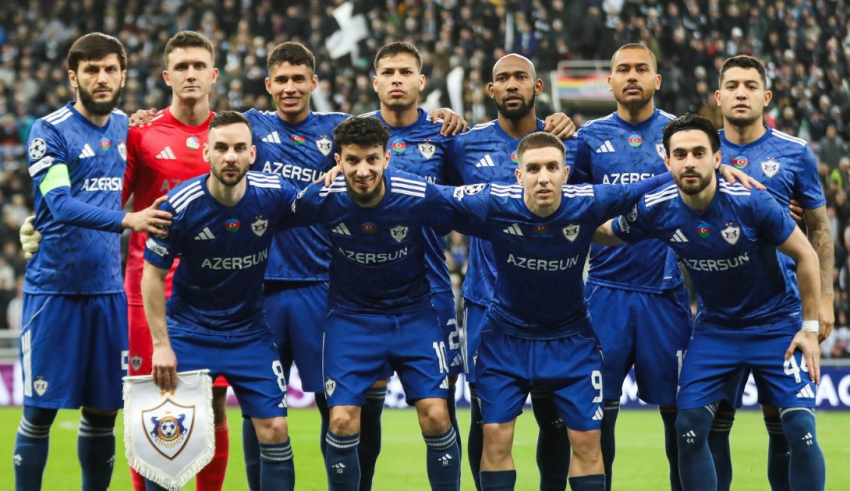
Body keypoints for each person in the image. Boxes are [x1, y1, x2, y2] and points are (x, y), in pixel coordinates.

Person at [239, 41, 466, 491]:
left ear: (421, 81)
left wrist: (448, 117)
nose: (397, 80)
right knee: (305, 409)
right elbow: (207, 125)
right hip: (336, 297)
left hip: (427, 295)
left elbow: (466, 201)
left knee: (439, 409)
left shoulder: (442, 136)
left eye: (406, 72)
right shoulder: (340, 131)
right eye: (389, 72)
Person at [595, 113, 826, 491]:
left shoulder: (752, 200)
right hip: (717, 329)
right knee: (688, 428)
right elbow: (608, 233)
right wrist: (562, 217)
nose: (689, 162)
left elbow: (806, 255)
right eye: (680, 154)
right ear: (667, 162)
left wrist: (810, 328)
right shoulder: (658, 207)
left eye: (699, 153)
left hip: (776, 324)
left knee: (799, 427)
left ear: (717, 159)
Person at [435, 132, 673, 491]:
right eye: (533, 169)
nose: (543, 177)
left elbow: (639, 188)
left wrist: (693, 170)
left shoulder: (588, 201)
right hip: (505, 339)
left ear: (566, 173)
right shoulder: (495, 202)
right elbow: (432, 195)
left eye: (551, 167)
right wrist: (375, 178)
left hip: (570, 341)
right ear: (519, 175)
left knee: (588, 442)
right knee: (495, 436)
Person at [14, 33, 171, 491]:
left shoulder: (126, 127)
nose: (101, 78)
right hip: (54, 292)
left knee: (104, 413)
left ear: (123, 76)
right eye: (91, 70)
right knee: (39, 413)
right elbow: (61, 204)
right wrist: (128, 219)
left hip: (107, 292)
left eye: (109, 70)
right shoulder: (50, 130)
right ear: (73, 77)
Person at [292, 116, 461, 491]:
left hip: (414, 316)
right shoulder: (321, 197)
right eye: (352, 160)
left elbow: (470, 215)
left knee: (437, 415)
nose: (363, 170)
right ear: (338, 160)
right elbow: (270, 215)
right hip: (350, 320)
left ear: (387, 158)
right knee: (341, 421)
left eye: (372, 159)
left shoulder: (417, 193)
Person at [142, 111, 298, 491]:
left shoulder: (274, 193)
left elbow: (323, 205)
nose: (230, 156)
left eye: (239, 148)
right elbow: (152, 276)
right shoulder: (178, 205)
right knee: (167, 438)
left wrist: (337, 178)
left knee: (275, 428)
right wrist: (161, 345)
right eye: (222, 148)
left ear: (252, 154)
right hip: (189, 331)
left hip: (249, 333)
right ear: (207, 153)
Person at [565, 43, 691, 491]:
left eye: (641, 69)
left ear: (657, 80)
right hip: (604, 294)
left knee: (683, 423)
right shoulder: (589, 138)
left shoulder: (680, 134)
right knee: (596, 422)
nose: (632, 75)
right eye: (623, 69)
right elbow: (572, 208)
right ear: (610, 81)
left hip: (665, 294)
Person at [450, 53, 574, 491]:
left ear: (537, 87)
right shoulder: (464, 145)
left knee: (554, 415)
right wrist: (438, 118)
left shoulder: (566, 143)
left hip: (553, 309)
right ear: (491, 90)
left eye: (521, 77)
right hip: (487, 304)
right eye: (502, 78)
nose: (512, 85)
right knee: (486, 418)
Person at [710, 55, 834, 491]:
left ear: (766, 97)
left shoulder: (795, 152)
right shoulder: (700, 151)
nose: (741, 93)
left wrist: (825, 299)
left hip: (782, 310)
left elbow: (819, 228)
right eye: (732, 85)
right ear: (718, 97)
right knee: (711, 427)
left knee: (793, 427)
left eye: (750, 85)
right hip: (718, 314)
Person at [122, 31, 231, 491]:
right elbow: (110, 202)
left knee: (214, 405)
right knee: (149, 401)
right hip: (149, 289)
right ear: (166, 76)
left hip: (217, 292)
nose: (190, 74)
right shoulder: (141, 134)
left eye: (198, 66)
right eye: (181, 67)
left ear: (214, 74)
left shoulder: (232, 137)